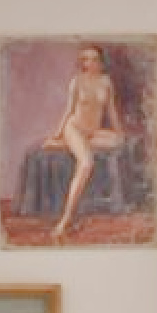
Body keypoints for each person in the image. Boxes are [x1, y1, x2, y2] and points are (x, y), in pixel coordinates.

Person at [42, 44, 125, 241]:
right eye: (86, 59)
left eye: (94, 58)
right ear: (82, 63)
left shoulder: (106, 81)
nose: (91, 63)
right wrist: (57, 133)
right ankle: (65, 219)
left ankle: (63, 144)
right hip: (75, 128)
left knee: (117, 141)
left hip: (93, 132)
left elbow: (111, 110)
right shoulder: (76, 82)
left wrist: (119, 130)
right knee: (86, 164)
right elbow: (69, 110)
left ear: (100, 61)